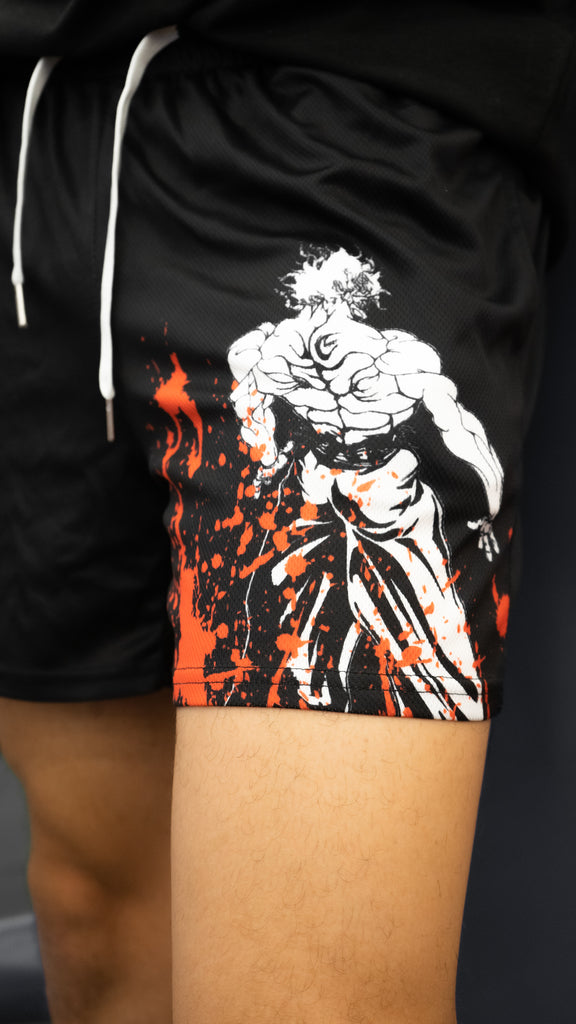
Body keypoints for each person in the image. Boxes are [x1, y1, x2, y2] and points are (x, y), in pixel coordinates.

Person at [0, 3, 574, 1023]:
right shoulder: (277, 362)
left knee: (310, 999)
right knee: (97, 920)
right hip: (32, 126)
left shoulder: (383, 356)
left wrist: (473, 483)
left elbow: (442, 417)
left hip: (341, 107)